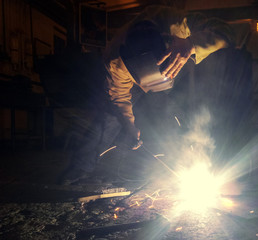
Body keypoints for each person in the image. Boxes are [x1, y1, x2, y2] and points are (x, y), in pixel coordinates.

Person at [60, 5, 235, 184]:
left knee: (175, 112)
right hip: (131, 80)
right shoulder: (115, 62)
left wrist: (191, 44)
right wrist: (129, 125)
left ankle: (184, 164)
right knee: (109, 118)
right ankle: (80, 167)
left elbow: (227, 32)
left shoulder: (177, 22)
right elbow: (119, 97)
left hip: (179, 59)